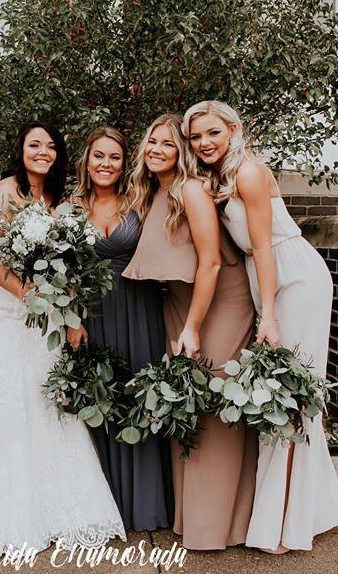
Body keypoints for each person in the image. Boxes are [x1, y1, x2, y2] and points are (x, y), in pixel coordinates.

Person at [0, 122, 125, 565]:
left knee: (44, 394)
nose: (42, 152)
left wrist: (61, 309)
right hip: (1, 305)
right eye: (33, 145)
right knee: (3, 394)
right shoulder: (5, 190)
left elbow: (63, 267)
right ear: (20, 151)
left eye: (49, 146)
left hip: (42, 310)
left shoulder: (57, 201)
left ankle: (55, 503)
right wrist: (28, 294)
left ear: (58, 154)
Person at [184, 100, 338, 553]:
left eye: (213, 133)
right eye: (196, 137)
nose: (204, 143)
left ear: (233, 129)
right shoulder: (219, 178)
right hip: (271, 281)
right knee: (286, 395)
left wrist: (269, 314)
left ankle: (284, 526)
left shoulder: (250, 173)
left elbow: (264, 247)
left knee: (289, 396)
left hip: (294, 279)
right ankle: (310, 510)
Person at [122, 113, 257, 551]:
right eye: (151, 142)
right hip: (181, 302)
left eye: (167, 143)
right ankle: (189, 518)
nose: (157, 150)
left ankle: (219, 527)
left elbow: (212, 262)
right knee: (187, 406)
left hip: (219, 301)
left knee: (215, 404)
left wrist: (193, 328)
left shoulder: (191, 190)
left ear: (181, 152)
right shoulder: (153, 191)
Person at [67, 126, 173, 532]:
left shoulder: (141, 203)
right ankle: (106, 506)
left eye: (113, 157)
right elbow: (63, 271)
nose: (105, 164)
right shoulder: (71, 210)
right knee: (101, 400)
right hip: (92, 313)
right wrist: (73, 316)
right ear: (87, 161)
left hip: (139, 306)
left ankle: (146, 506)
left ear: (124, 162)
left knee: (139, 397)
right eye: (98, 156)